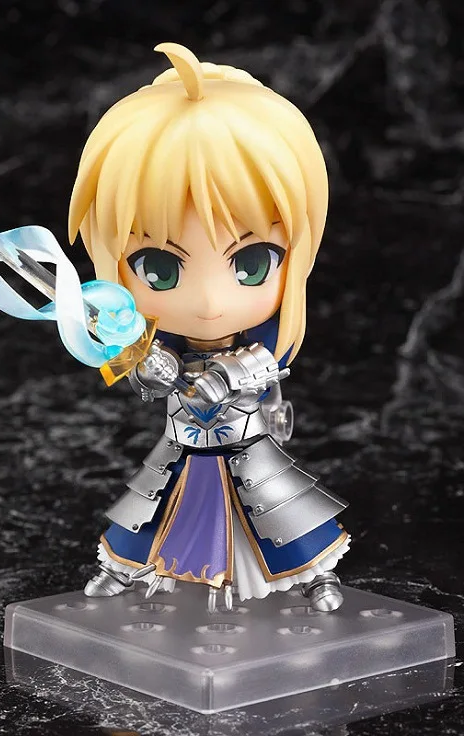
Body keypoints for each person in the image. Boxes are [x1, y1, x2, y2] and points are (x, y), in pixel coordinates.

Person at [68, 42, 350, 613]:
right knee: (149, 505)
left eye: (252, 264)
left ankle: (317, 575)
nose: (209, 302)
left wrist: (221, 379)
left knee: (283, 510)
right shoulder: (154, 336)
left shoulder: (263, 338)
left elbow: (264, 366)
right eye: (159, 268)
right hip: (184, 443)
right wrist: (145, 366)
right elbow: (128, 369)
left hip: (245, 440)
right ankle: (121, 569)